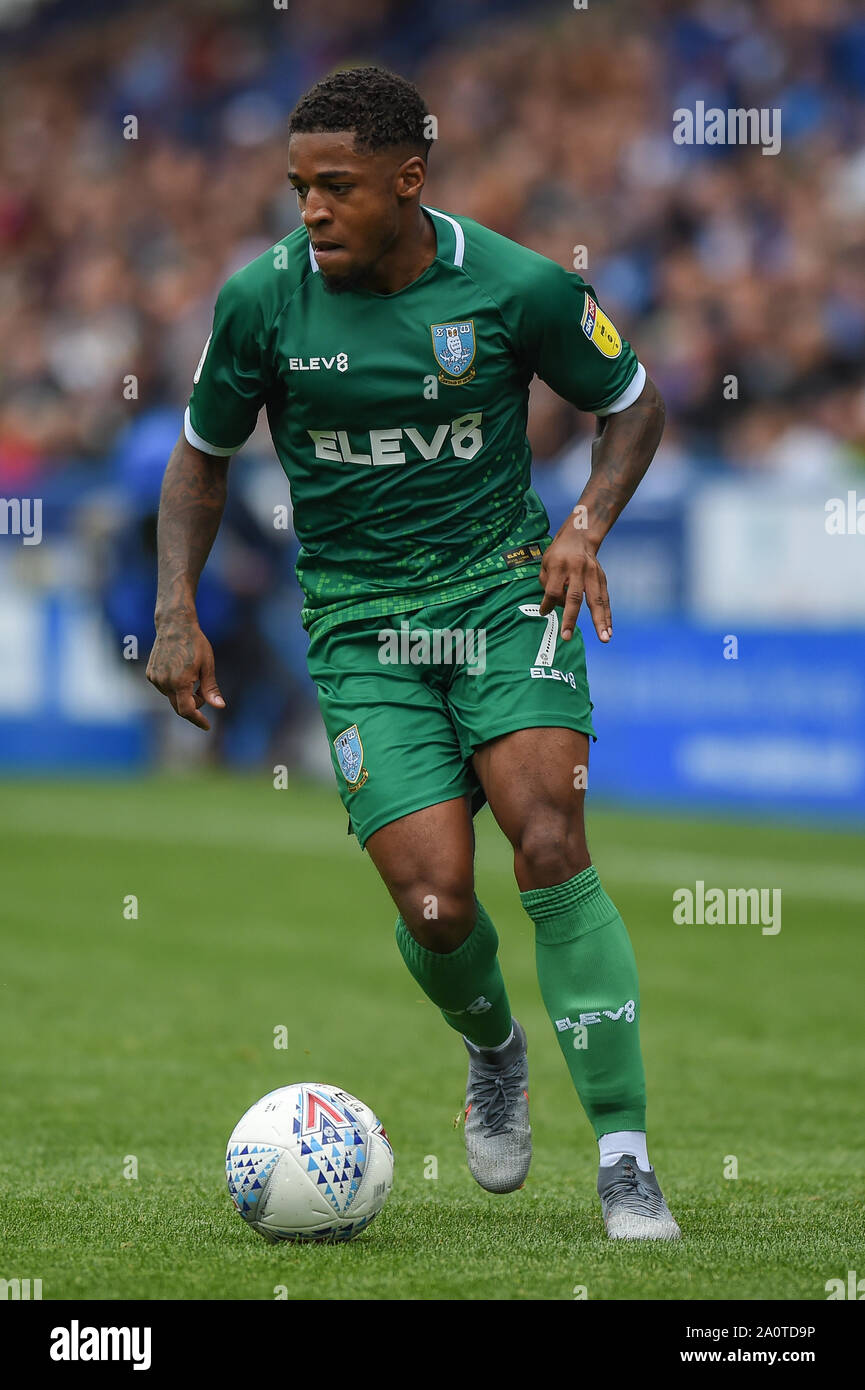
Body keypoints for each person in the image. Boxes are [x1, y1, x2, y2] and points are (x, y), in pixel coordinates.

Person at [147, 65, 679, 1240]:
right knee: (439, 905)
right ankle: (494, 1046)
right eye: (297, 188)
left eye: (336, 187)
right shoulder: (260, 304)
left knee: (548, 836)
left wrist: (583, 525)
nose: (312, 211)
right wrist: (175, 607)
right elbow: (201, 455)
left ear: (408, 178)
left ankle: (626, 1159)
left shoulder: (516, 284)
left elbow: (633, 403)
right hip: (359, 625)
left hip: (499, 597)